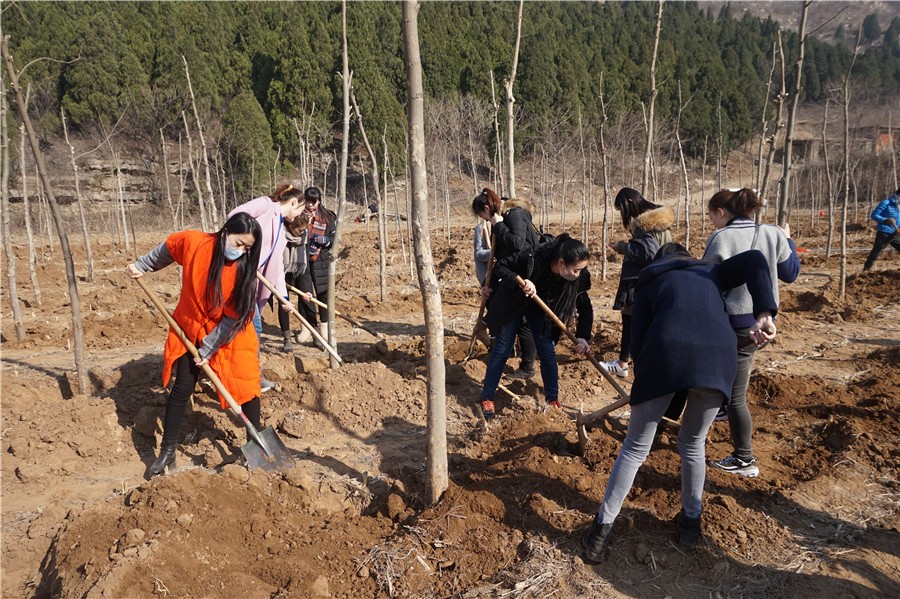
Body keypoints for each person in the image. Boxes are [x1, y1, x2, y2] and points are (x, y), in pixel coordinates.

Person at [581, 243, 777, 562]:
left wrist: (651, 394)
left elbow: (640, 343)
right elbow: (755, 259)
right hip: (718, 358)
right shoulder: (712, 271)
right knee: (693, 444)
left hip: (665, 355)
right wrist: (764, 313)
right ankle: (690, 525)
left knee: (635, 448)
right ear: (688, 257)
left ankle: (599, 535)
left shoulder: (649, 278)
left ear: (662, 261)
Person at [125, 213, 264, 477]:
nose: (241, 251)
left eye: (247, 248)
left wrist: (208, 349)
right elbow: (168, 248)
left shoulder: (243, 271)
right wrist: (142, 265)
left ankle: (255, 447)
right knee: (183, 387)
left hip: (230, 332)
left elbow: (232, 318)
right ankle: (167, 452)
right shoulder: (195, 243)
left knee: (246, 385)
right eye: (239, 244)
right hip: (189, 326)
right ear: (225, 232)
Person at [702, 188, 799, 477]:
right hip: (763, 321)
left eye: (711, 216)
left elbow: (706, 284)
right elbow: (791, 273)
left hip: (734, 324)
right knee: (730, 383)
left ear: (722, 212)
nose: (712, 223)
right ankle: (719, 410)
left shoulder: (721, 238)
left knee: (736, 396)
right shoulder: (773, 234)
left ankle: (744, 459)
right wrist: (788, 238)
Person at [480, 234, 593, 420]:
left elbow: (585, 306)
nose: (579, 274)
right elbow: (501, 266)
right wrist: (522, 281)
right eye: (576, 270)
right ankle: (487, 397)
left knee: (547, 350)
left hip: (541, 308)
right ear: (561, 262)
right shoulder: (534, 256)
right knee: (501, 349)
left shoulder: (578, 276)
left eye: (581, 269)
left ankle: (552, 400)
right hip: (514, 302)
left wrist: (582, 336)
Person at [229, 184, 307, 390]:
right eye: (301, 208)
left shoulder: (281, 230)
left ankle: (235, 371)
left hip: (253, 285)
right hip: (238, 277)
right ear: (293, 202)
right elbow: (235, 215)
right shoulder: (264, 205)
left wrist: (283, 298)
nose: (301, 214)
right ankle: (252, 377)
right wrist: (242, 249)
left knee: (241, 329)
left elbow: (277, 268)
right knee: (254, 327)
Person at [604, 188, 674, 379]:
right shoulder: (660, 221)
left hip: (644, 282)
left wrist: (623, 247)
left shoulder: (644, 225)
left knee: (632, 320)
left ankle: (627, 365)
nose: (623, 215)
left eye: (622, 209)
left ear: (629, 203)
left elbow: (647, 253)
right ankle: (629, 363)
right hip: (661, 278)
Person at [474, 188, 540, 379]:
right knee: (505, 312)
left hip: (524, 275)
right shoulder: (504, 217)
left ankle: (527, 367)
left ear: (487, 208)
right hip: (511, 273)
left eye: (484, 217)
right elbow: (503, 256)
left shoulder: (514, 214)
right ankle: (508, 352)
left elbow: (517, 243)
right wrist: (490, 284)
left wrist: (499, 225)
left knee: (524, 322)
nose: (486, 221)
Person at [296, 186, 337, 345]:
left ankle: (324, 330)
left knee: (323, 294)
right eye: (308, 202)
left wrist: (326, 241)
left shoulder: (328, 217)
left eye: (314, 202)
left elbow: (334, 239)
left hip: (322, 260)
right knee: (305, 294)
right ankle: (307, 328)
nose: (311, 205)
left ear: (319, 201)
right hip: (303, 259)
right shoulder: (298, 216)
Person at [277, 213, 313, 351]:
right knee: (284, 304)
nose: (302, 232)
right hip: (282, 271)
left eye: (304, 230)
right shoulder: (280, 235)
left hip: (300, 269)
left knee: (307, 298)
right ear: (291, 226)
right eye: (300, 230)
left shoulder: (303, 237)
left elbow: (306, 256)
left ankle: (313, 332)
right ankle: (287, 339)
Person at [863, 189, 900, 271]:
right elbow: (874, 215)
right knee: (876, 252)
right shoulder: (886, 203)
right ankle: (866, 270)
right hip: (884, 232)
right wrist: (886, 220)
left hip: (895, 232)